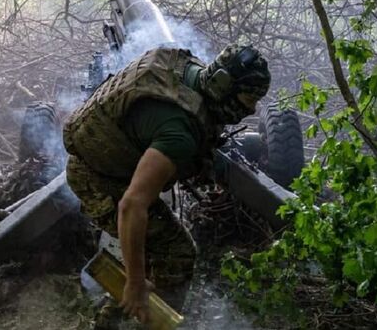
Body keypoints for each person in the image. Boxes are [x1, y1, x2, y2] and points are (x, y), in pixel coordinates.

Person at [63, 43, 271, 327]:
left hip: (107, 163)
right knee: (177, 252)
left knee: (150, 252)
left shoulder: (186, 68)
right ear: (223, 85)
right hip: (98, 181)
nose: (251, 108)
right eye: (248, 98)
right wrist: (135, 282)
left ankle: (110, 320)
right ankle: (151, 319)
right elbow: (132, 206)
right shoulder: (179, 135)